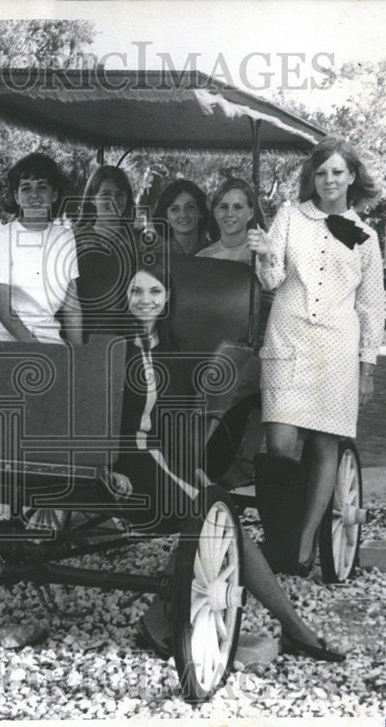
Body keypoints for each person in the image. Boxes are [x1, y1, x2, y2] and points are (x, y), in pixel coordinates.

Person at [112, 258, 345, 663]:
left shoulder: (173, 352)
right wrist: (106, 468)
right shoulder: (110, 349)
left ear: (168, 300)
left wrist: (195, 469)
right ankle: (293, 628)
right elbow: (94, 419)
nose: (145, 300)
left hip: (158, 458)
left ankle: (159, 618)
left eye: (155, 292)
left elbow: (174, 426)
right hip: (126, 463)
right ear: (125, 297)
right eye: (136, 291)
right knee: (221, 516)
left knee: (216, 510)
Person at [247, 135, 384, 574]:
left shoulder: (366, 237)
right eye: (322, 172)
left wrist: (367, 367)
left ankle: (301, 548)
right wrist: (268, 255)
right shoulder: (289, 217)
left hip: (338, 352)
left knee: (326, 444)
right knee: (280, 446)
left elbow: (371, 306)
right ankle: (278, 538)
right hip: (287, 340)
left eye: (338, 172)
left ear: (352, 177)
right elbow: (271, 281)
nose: (329, 179)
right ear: (313, 176)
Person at [0, 153, 82, 344]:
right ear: (16, 197)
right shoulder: (0, 238)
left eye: (42, 187)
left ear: (55, 194)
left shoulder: (65, 238)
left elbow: (72, 305)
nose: (34, 195)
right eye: (26, 188)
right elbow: (3, 308)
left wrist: (80, 356)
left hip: (49, 338)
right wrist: (36, 349)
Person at [74, 165, 140, 339]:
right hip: (85, 334)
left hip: (129, 335)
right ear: (92, 199)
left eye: (120, 195)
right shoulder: (73, 241)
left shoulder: (141, 242)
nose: (113, 201)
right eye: (105, 195)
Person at [197, 178, 259, 263]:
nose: (229, 214)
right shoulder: (203, 257)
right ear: (215, 211)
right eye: (223, 207)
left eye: (238, 207)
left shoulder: (260, 255)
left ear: (251, 213)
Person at [152, 178, 209, 257]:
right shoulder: (155, 258)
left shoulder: (219, 254)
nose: (183, 214)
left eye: (190, 207)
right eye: (175, 209)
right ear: (165, 217)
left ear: (200, 212)